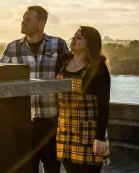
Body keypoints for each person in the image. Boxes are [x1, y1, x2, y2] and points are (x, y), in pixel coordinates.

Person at [0, 6, 69, 173]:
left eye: (28, 19)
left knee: (52, 167)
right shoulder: (12, 48)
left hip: (51, 119)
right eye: (23, 18)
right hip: (23, 121)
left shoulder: (58, 45)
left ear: (41, 24)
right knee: (27, 168)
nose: (23, 21)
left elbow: (68, 77)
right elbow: (0, 79)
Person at [55, 26, 111, 173]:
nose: (74, 39)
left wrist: (99, 138)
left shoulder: (98, 67)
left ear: (90, 44)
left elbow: (104, 106)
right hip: (65, 131)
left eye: (79, 38)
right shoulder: (63, 60)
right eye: (74, 36)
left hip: (89, 133)